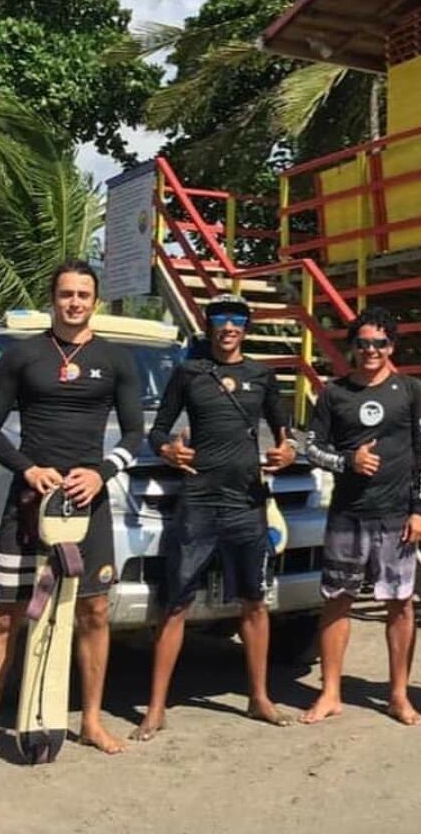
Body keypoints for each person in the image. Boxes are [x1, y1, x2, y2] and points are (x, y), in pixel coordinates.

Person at [0, 259, 144, 771]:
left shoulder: (117, 360)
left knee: (94, 612)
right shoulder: (22, 356)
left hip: (88, 505)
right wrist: (28, 468)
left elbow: (134, 435)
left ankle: (92, 720)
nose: (74, 302)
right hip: (29, 503)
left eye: (83, 294)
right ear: (51, 300)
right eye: (65, 294)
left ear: (94, 301)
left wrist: (101, 472)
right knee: (6, 616)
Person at [132, 293, 297, 741]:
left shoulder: (262, 376)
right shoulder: (189, 372)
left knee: (255, 603)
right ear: (209, 326)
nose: (228, 326)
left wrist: (287, 452)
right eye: (220, 319)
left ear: (247, 326)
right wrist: (167, 448)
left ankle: (259, 697)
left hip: (247, 504)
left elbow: (286, 435)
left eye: (237, 319)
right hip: (199, 502)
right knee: (175, 604)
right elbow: (158, 428)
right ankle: (157, 707)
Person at [300, 306, 421, 726]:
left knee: (400, 604)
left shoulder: (412, 391)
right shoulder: (334, 393)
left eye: (379, 343)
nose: (371, 350)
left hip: (397, 517)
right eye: (362, 343)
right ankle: (330, 692)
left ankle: (398, 695)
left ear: (392, 346)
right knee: (336, 602)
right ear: (352, 347)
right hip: (348, 515)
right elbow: (311, 447)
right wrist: (348, 461)